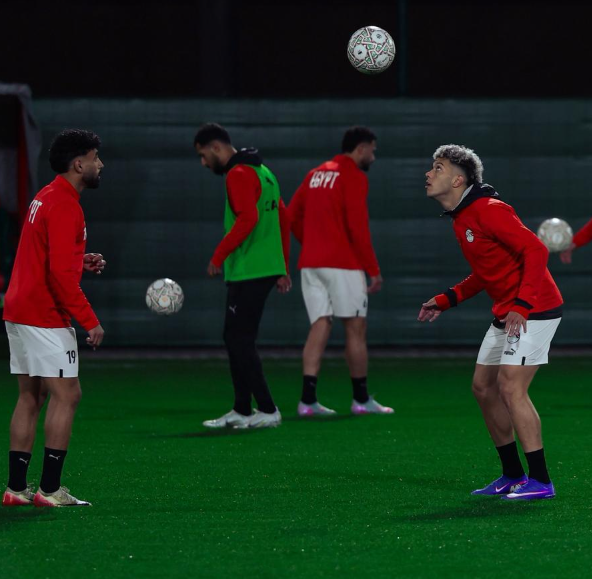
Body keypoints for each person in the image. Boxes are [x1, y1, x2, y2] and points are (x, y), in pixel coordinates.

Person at [418, 144, 563, 501]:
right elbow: (486, 272)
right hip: (508, 311)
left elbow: (536, 250)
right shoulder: (462, 217)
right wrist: (447, 298)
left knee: (511, 388)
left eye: (438, 168)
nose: (428, 174)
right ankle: (512, 474)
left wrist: (523, 305)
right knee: (483, 388)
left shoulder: (488, 209)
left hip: (535, 309)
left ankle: (541, 481)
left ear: (458, 180)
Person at [1, 129, 106, 507]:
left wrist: (80, 259)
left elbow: (46, 254)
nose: (100, 165)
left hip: (19, 308)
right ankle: (49, 490)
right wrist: (89, 320)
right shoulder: (65, 204)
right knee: (68, 394)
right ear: (78, 164)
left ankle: (16, 490)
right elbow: (60, 278)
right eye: (95, 158)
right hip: (43, 314)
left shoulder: (45, 196)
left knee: (31, 396)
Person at [287, 126, 393, 417]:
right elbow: (358, 228)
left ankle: (307, 402)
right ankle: (361, 400)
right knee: (356, 329)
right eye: (372, 150)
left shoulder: (314, 174)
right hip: (343, 265)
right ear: (361, 149)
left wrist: (311, 244)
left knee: (320, 324)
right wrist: (373, 270)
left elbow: (290, 216)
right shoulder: (353, 176)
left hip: (311, 264)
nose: (373, 156)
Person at [194, 123, 291, 429]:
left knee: (240, 339)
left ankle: (267, 409)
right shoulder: (265, 172)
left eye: (203, 155)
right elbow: (283, 219)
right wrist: (283, 267)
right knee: (235, 337)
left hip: (250, 269)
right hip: (264, 267)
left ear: (216, 147)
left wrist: (218, 255)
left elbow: (249, 218)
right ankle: (242, 409)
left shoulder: (237, 174)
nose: (203, 162)